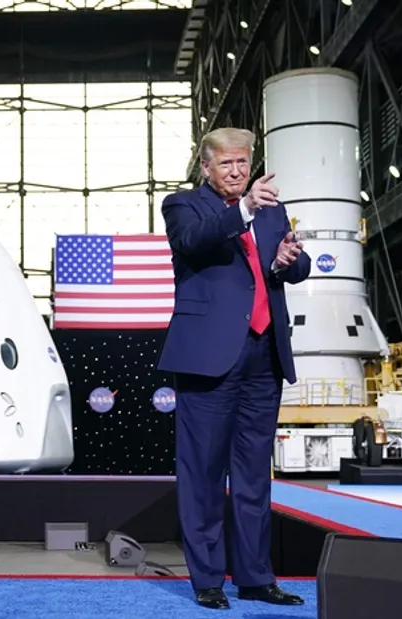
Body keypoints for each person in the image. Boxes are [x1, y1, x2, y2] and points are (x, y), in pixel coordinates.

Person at [157, 127, 310, 610]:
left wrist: (287, 261)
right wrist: (243, 210)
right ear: (206, 167)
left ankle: (255, 578)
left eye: (243, 163)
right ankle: (207, 579)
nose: (237, 171)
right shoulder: (183, 205)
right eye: (226, 164)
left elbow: (297, 266)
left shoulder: (273, 210)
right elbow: (193, 242)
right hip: (208, 358)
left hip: (264, 355)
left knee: (254, 474)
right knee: (203, 474)